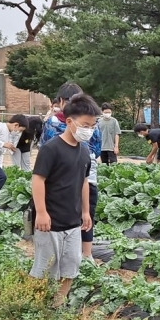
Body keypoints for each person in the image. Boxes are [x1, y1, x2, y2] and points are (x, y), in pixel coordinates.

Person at [29, 94, 99, 308]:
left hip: (73, 221)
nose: (89, 130)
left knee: (71, 266)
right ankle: (34, 306)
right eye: (85, 125)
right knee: (45, 268)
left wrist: (85, 212)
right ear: (69, 122)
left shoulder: (84, 151)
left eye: (93, 126)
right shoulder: (51, 148)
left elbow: (84, 181)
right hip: (50, 221)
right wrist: (41, 212)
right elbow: (38, 179)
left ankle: (57, 305)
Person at [40, 83, 102, 260]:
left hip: (84, 175)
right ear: (60, 101)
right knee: (61, 214)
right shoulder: (54, 125)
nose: (88, 129)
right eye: (69, 100)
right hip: (60, 180)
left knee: (86, 213)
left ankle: (85, 255)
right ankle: (64, 256)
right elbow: (44, 164)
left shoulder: (86, 123)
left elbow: (96, 148)